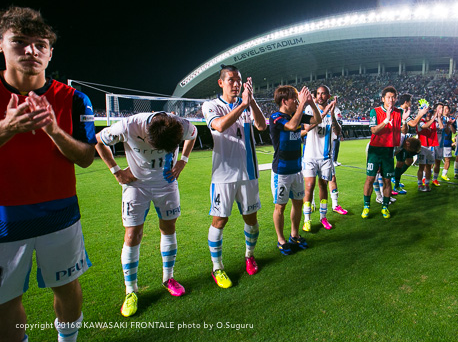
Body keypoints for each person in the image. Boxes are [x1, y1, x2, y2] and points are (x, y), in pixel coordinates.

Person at [0, 7, 96, 342]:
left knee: (67, 287)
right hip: (4, 215)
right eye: (19, 42)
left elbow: (86, 159)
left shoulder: (74, 99)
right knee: (4, 301)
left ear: (50, 52)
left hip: (61, 212)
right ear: (1, 45)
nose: (31, 51)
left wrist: (54, 130)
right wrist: (7, 128)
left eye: (40, 44)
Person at [96, 111, 197, 315]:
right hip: (136, 186)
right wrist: (116, 171)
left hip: (166, 184)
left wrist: (182, 160)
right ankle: (130, 291)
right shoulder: (128, 126)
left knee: (169, 228)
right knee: (133, 235)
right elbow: (97, 140)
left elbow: (193, 135)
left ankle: (168, 278)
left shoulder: (181, 125)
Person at [201, 65, 267, 286]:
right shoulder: (211, 105)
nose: (236, 84)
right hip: (223, 175)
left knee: (252, 220)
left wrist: (252, 101)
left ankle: (249, 256)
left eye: (238, 80)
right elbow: (219, 126)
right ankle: (217, 268)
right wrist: (242, 106)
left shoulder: (247, 104)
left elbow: (261, 125)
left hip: (249, 173)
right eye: (231, 80)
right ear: (221, 83)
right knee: (219, 220)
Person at [270, 85, 321, 255]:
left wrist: (311, 103)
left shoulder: (296, 115)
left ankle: (294, 235)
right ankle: (281, 239)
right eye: (294, 98)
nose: (297, 101)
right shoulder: (276, 117)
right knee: (280, 206)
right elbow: (292, 126)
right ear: (284, 101)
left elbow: (317, 120)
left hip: (297, 169)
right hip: (282, 171)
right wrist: (302, 106)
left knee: (298, 203)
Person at [301, 85, 346, 233]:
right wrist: (324, 112)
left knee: (323, 186)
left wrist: (331, 114)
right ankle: (307, 219)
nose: (320, 96)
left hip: (326, 157)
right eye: (318, 94)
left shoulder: (336, 111)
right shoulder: (308, 109)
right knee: (309, 186)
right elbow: (307, 127)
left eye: (323, 94)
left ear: (328, 95)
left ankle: (323, 217)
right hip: (310, 156)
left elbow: (338, 132)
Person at [363, 86, 404, 219]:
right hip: (375, 150)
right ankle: (366, 207)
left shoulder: (399, 112)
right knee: (370, 178)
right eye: (388, 97)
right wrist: (386, 120)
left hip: (388, 151)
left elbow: (402, 130)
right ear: (383, 99)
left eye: (393, 97)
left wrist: (406, 122)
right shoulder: (375, 111)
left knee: (387, 180)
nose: (391, 100)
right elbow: (374, 130)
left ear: (396, 98)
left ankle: (385, 207)